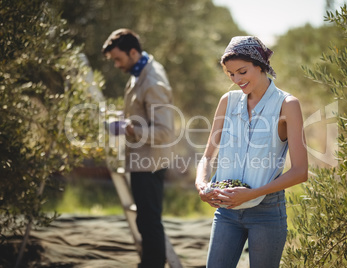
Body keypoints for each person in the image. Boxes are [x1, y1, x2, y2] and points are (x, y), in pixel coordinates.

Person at [195, 36, 308, 267]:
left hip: (267, 212)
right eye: (230, 74)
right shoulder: (227, 101)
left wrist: (253, 193)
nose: (236, 79)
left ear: (260, 65)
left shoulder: (288, 104)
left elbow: (300, 171)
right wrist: (202, 184)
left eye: (242, 71)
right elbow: (207, 155)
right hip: (226, 212)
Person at [102, 29, 174, 268]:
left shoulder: (152, 80)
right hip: (141, 160)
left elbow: (165, 132)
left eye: (118, 58)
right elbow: (141, 112)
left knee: (150, 221)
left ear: (133, 52)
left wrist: (129, 129)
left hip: (150, 162)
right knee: (145, 220)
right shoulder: (138, 72)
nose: (116, 64)